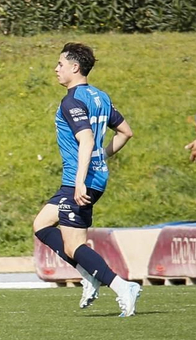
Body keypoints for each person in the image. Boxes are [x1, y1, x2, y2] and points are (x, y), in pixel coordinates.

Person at [32, 42, 137, 315]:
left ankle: (121, 285)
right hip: (91, 176)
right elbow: (125, 132)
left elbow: (86, 138)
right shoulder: (100, 96)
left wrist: (79, 180)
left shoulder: (72, 100)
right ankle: (89, 274)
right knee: (41, 224)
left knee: (74, 245)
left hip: (79, 180)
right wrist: (101, 157)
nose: (56, 69)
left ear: (74, 68)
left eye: (60, 65)